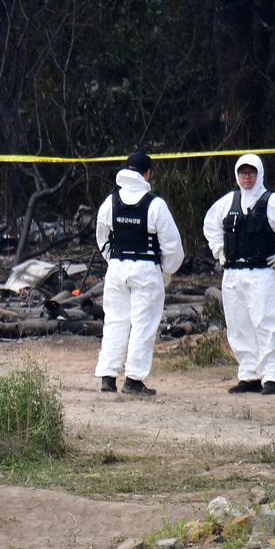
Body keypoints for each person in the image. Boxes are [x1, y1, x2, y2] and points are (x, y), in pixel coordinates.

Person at [202, 153, 275, 395]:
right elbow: (210, 224)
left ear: (259, 173)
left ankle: (271, 376)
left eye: (251, 172)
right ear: (237, 175)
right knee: (238, 325)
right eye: (243, 172)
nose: (247, 176)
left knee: (266, 322)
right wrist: (219, 250)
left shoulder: (272, 202)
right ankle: (249, 374)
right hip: (232, 274)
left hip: (261, 272)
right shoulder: (228, 202)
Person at [93, 151, 184, 396]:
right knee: (144, 324)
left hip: (117, 268)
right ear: (147, 173)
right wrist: (166, 269)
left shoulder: (110, 202)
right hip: (146, 268)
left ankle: (108, 376)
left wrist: (113, 259)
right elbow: (173, 246)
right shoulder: (155, 204)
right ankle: (133, 379)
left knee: (114, 320)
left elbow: (102, 237)